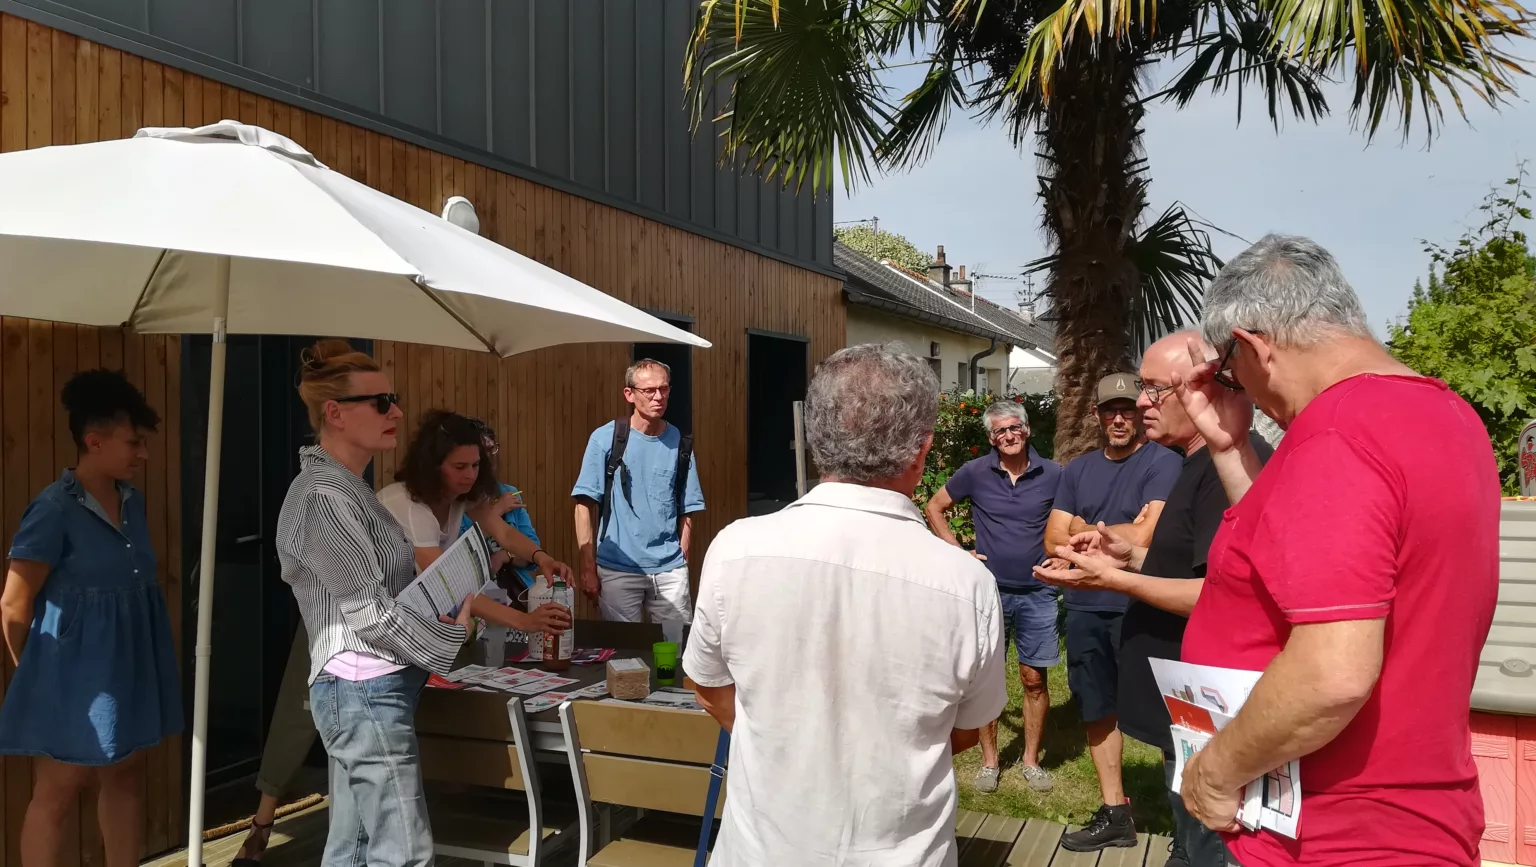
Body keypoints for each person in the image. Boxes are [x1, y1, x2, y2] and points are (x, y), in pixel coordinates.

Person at [1174, 236, 1500, 866]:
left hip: (1333, 831)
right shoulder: (1446, 413)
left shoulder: (1337, 434)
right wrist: (1230, 449)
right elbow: (1301, 556)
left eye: (1228, 371)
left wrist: (1214, 773)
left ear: (1253, 346)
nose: (1238, 389)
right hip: (1411, 814)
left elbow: (1332, 675)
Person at [684, 343, 1007, 867]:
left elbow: (708, 687)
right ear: (922, 450)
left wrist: (784, 752)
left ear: (816, 441)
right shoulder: (967, 584)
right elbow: (967, 730)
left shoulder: (735, 550)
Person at [276, 339, 570, 867]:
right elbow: (370, 612)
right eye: (381, 402)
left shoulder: (348, 487)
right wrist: (449, 635)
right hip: (363, 685)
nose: (396, 412)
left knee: (355, 849)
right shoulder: (325, 496)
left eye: (394, 399)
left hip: (372, 683)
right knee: (404, 853)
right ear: (335, 414)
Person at [1035, 332, 1273, 867]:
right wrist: (1129, 555)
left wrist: (1115, 580)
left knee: (1212, 849)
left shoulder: (1231, 468)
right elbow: (1192, 566)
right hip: (1190, 714)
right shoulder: (1195, 463)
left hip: (1216, 713)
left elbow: (1226, 596)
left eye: (1153, 390)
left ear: (1205, 386)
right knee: (1190, 839)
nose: (1141, 403)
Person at [0, 369, 181, 867]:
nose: (143, 454)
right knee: (58, 788)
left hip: (128, 669)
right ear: (94, 442)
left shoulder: (132, 502)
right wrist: (40, 681)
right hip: (71, 681)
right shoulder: (53, 510)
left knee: (125, 776)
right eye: (133, 443)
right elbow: (13, 604)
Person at [1042, 373, 1181, 851]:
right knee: (1097, 709)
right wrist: (1099, 533)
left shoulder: (1163, 462)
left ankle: (1187, 827)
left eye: (1127, 410)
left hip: (1141, 604)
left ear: (1140, 413)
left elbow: (1144, 537)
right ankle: (1116, 814)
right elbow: (1051, 538)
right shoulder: (1078, 470)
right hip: (1085, 606)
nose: (1119, 419)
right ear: (1097, 415)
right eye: (1110, 411)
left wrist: (1080, 529)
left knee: (1167, 716)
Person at [923, 400, 1062, 795]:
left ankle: (1031, 761)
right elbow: (935, 507)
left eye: (1015, 427)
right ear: (991, 438)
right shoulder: (975, 472)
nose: (1009, 435)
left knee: (1034, 679)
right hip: (989, 592)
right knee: (987, 679)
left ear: (1027, 430)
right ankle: (989, 762)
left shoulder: (1054, 474)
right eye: (1000, 430)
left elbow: (1075, 519)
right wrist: (958, 553)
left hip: (1039, 591)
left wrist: (1064, 557)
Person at [379, 408, 573, 591]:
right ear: (431, 467)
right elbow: (449, 588)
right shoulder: (410, 507)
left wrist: (543, 559)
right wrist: (523, 616)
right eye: (460, 467)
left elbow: (504, 533)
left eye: (476, 465)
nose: (471, 475)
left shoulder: (461, 495)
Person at [572, 359, 704, 622]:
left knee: (674, 644)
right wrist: (588, 568)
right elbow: (584, 505)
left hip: (670, 571)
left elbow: (687, 507)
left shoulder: (680, 442)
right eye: (649, 390)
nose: (659, 397)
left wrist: (682, 558)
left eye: (664, 389)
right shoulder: (605, 438)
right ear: (629, 394)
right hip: (617, 568)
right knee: (623, 647)